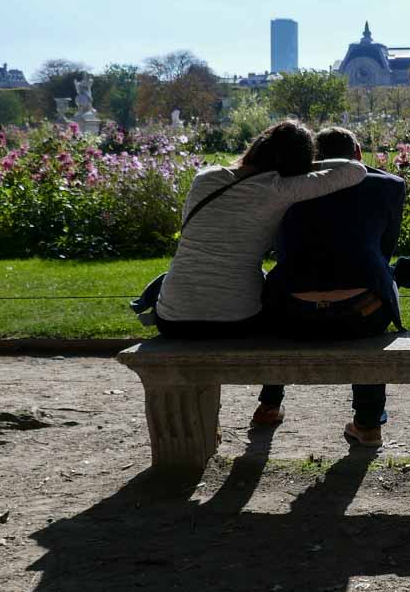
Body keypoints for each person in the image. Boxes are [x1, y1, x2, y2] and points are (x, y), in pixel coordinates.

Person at [261, 127, 410, 447]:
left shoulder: (286, 187)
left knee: (282, 288)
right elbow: (382, 253)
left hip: (293, 313)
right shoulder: (388, 186)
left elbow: (280, 249)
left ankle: (269, 405)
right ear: (357, 155)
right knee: (374, 285)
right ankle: (368, 422)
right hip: (360, 314)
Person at [151, 120, 366, 417]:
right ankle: (270, 403)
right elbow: (355, 170)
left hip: (173, 318)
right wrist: (305, 167)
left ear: (258, 145)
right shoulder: (279, 188)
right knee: (275, 292)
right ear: (298, 162)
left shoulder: (205, 178)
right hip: (237, 320)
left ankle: (253, 405)